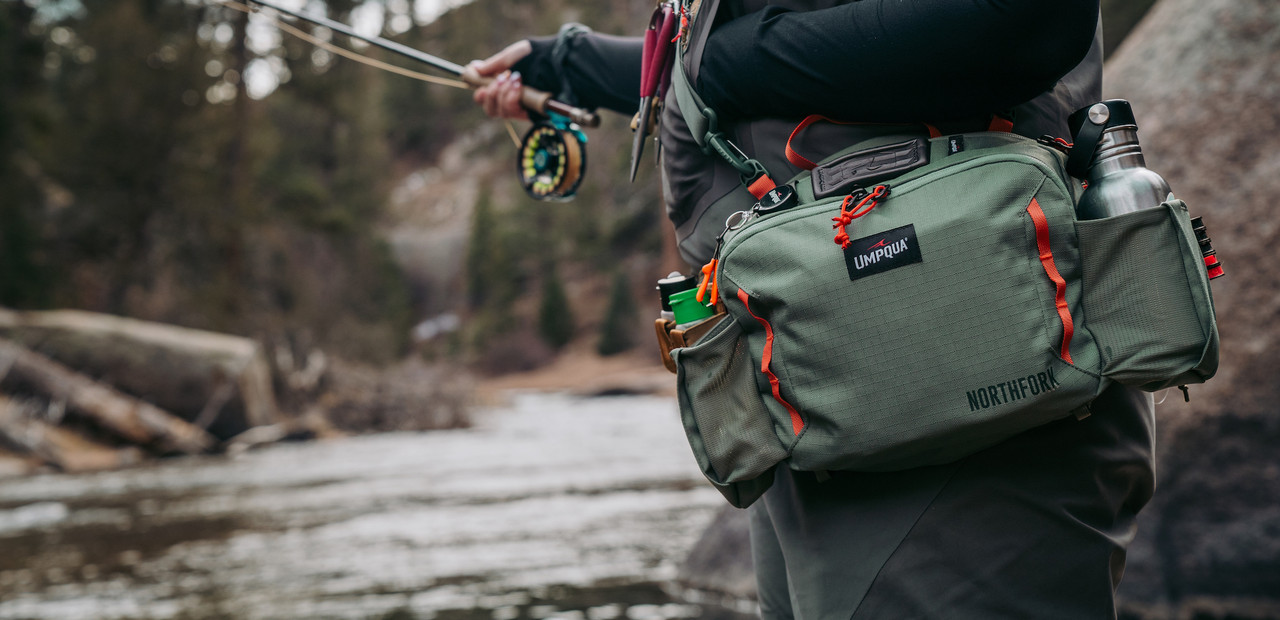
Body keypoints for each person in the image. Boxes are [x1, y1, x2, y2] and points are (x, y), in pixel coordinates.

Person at [471, 1, 1154, 617]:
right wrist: (573, 65)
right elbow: (784, 64)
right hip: (825, 410)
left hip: (966, 426)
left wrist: (725, 64)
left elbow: (1026, 19)